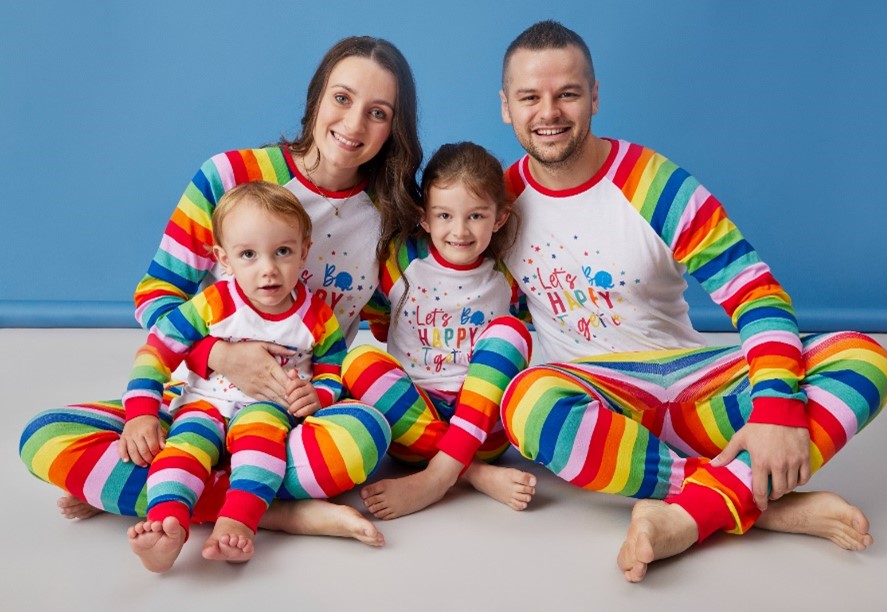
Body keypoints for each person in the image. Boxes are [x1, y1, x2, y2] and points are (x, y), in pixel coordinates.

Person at [496, 20, 887, 583]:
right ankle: (751, 501)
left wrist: (775, 408)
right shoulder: (499, 205)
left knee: (864, 357)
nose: (550, 113)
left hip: (699, 392)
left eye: (567, 93)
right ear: (506, 106)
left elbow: (754, 292)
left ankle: (689, 515)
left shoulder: (652, 183)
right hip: (602, 406)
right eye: (529, 97)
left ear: (594, 96)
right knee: (526, 401)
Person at [19, 35, 421, 550]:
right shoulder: (231, 176)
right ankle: (277, 513)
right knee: (45, 437)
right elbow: (156, 296)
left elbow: (403, 327)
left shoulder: (391, 216)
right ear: (317, 96)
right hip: (197, 402)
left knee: (366, 437)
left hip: (295, 417)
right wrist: (221, 355)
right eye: (342, 98)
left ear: (394, 128)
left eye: (378, 112)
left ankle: (156, 492)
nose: (354, 123)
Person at [122, 181, 374, 572]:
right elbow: (157, 350)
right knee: (184, 449)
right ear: (225, 259)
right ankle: (165, 525)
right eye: (249, 255)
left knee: (262, 452)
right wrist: (141, 413)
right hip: (204, 403)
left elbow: (331, 367)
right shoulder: (214, 303)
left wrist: (320, 395)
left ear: (304, 252)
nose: (268, 269)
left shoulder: (316, 316)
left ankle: (236, 523)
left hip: (267, 407)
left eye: (283, 252)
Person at [343, 142, 537, 519]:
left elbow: (521, 328)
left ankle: (439, 475)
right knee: (358, 361)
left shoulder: (506, 272)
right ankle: (471, 473)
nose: (459, 231)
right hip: (413, 425)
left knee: (511, 332)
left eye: (476, 216)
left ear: (499, 218)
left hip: (484, 430)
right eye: (445, 215)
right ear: (425, 218)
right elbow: (378, 316)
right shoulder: (401, 261)